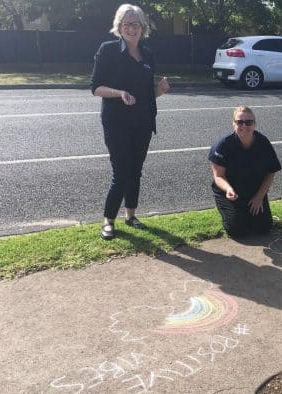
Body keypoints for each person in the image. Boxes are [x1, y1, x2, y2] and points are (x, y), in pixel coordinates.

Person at [91, 3, 169, 240]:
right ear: (119, 26)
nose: (131, 29)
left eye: (135, 24)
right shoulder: (108, 50)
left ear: (142, 27)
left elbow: (145, 94)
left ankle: (131, 216)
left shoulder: (147, 54)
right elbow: (95, 88)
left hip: (143, 123)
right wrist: (120, 93)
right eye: (126, 24)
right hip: (116, 123)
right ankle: (108, 220)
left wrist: (159, 91)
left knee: (135, 171)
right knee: (121, 172)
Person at [208, 106, 282, 238]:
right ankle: (232, 212)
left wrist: (259, 197)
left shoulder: (263, 143)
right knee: (237, 231)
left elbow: (271, 172)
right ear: (233, 124)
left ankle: (248, 212)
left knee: (263, 228)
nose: (244, 125)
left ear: (254, 124)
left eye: (248, 122)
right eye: (239, 122)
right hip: (230, 192)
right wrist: (228, 189)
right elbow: (218, 176)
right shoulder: (223, 145)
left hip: (253, 191)